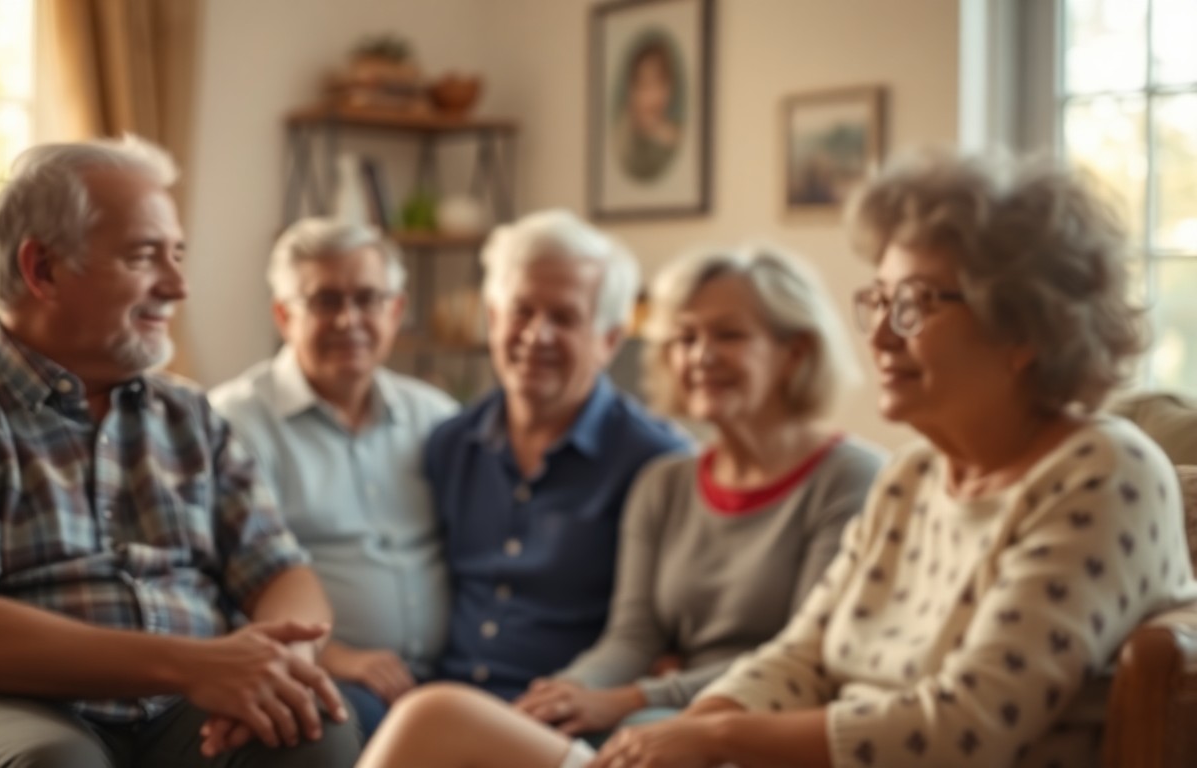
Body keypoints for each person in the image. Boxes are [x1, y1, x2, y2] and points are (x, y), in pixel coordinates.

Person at [351, 151, 1197, 768]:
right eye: (878, 299)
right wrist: (686, 730)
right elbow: (801, 652)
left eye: (914, 304)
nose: (879, 332)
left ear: (1024, 326)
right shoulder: (914, 477)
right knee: (435, 723)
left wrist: (711, 732)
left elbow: (966, 727)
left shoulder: (1102, 473)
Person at [0, 137, 362, 768]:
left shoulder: (190, 415)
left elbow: (284, 572)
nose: (177, 285)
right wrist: (197, 664)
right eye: (145, 256)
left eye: (177, 255)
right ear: (42, 269)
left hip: (179, 708)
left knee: (309, 729)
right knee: (56, 760)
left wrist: (276, 662)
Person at [511, 245, 884, 738]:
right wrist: (561, 695)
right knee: (459, 719)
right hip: (663, 710)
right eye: (684, 338)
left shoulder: (851, 477)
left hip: (765, 725)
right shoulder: (662, 482)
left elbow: (803, 657)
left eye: (728, 335)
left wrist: (635, 698)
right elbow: (632, 639)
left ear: (795, 352)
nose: (700, 356)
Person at [426, 209, 692, 701]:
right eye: (521, 311)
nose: (536, 335)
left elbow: (668, 635)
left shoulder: (659, 462)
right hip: (443, 700)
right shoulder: (448, 445)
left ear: (609, 341)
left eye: (564, 318)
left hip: (563, 716)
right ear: (492, 319)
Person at [210, 218, 457, 737]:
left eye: (368, 299)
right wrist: (336, 657)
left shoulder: (436, 417)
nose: (349, 320)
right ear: (283, 315)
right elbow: (216, 584)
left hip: (450, 674)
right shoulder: (234, 424)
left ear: (396, 310)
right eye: (325, 302)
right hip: (328, 676)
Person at [615, 37, 682, 182]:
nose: (652, 96)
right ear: (631, 91)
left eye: (659, 83)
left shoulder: (675, 136)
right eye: (643, 85)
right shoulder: (621, 136)